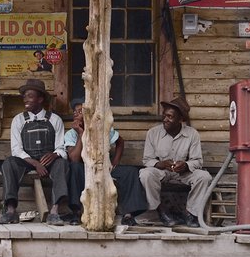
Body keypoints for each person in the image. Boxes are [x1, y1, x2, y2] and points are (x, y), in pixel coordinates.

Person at [0, 78, 73, 225]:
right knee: (9, 163)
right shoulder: (19, 120)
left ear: (40, 99)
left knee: (62, 164)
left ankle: (54, 212)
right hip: (27, 161)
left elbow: (61, 148)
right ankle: (11, 211)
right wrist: (35, 163)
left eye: (30, 96)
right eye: (24, 96)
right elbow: (16, 150)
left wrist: (54, 155)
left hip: (48, 161)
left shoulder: (55, 120)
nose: (25, 99)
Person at [64, 98, 147, 225]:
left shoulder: (101, 128)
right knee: (74, 167)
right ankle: (76, 213)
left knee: (131, 172)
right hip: (84, 170)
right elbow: (74, 158)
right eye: (75, 112)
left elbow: (120, 142)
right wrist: (81, 134)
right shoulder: (71, 134)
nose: (76, 114)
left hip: (104, 167)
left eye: (80, 111)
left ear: (89, 113)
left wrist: (115, 162)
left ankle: (129, 215)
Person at [135, 95, 213, 227]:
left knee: (204, 177)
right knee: (146, 174)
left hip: (183, 174)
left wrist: (186, 165)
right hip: (162, 172)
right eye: (164, 115)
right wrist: (160, 164)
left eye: (170, 116)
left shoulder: (192, 134)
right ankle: (159, 210)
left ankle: (191, 214)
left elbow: (198, 161)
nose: (165, 119)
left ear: (180, 119)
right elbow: (147, 160)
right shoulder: (153, 133)